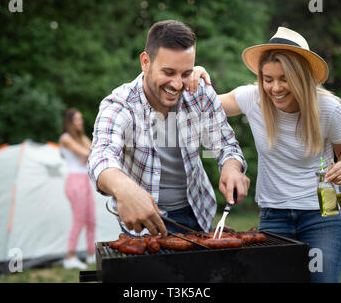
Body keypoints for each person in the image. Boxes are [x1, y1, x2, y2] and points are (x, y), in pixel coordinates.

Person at [190, 27, 341, 282]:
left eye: (284, 78)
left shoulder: (328, 108)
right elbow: (205, 104)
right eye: (267, 79)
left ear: (302, 77)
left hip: (323, 215)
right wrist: (196, 72)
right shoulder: (253, 98)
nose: (275, 88)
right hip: (274, 214)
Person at [88, 20, 250, 237]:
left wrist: (231, 166)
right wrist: (124, 189)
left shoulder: (199, 93)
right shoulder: (121, 104)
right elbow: (101, 154)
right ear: (145, 62)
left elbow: (225, 145)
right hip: (143, 223)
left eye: (185, 73)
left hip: (197, 213)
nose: (177, 84)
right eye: (168, 72)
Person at [60, 108, 96, 269]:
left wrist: (88, 154)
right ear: (69, 122)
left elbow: (93, 151)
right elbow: (84, 152)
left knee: (91, 220)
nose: (80, 122)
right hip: (74, 181)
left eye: (81, 119)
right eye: (77, 119)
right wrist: (88, 154)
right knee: (79, 220)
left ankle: (90, 255)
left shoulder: (81, 137)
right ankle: (70, 257)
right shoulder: (66, 138)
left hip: (85, 181)